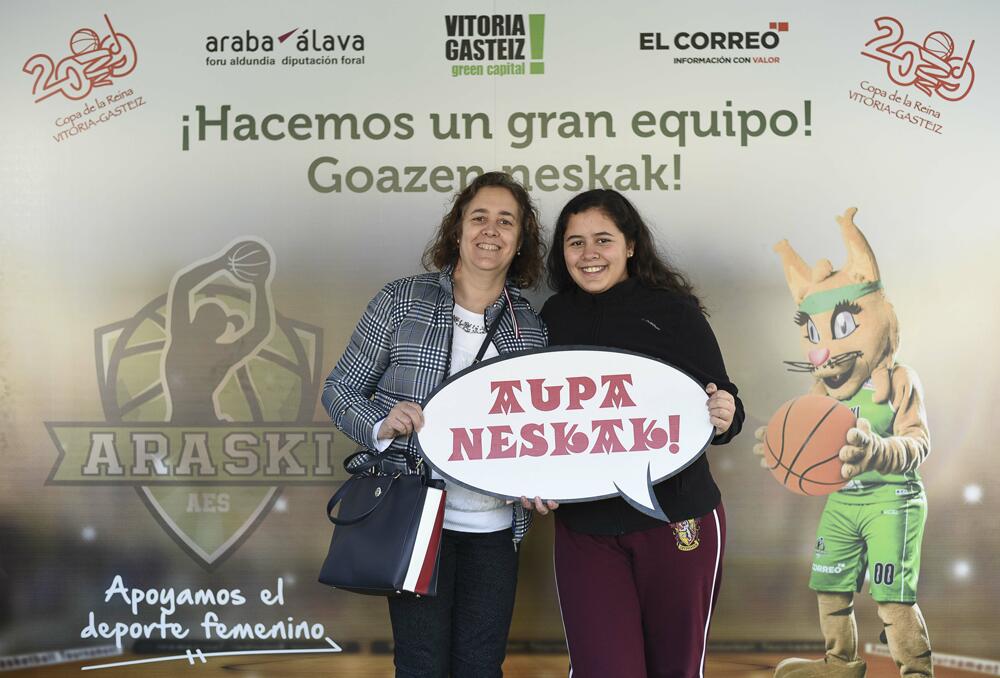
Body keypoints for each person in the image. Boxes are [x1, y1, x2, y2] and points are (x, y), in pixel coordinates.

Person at [321, 171, 547, 678]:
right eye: (479, 217)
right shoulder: (404, 300)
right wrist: (382, 423)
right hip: (418, 521)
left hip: (495, 530)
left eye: (505, 221)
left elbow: (542, 437)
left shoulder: (531, 329)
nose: (491, 230)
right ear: (458, 229)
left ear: (521, 240)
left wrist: (544, 482)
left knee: (481, 667)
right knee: (421, 666)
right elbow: (339, 390)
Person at [537, 189, 744, 678]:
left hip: (676, 522)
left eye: (603, 240)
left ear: (630, 245)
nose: (589, 255)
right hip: (587, 531)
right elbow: (534, 425)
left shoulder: (673, 312)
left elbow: (726, 408)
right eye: (575, 243)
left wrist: (724, 412)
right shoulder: (551, 319)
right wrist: (532, 479)